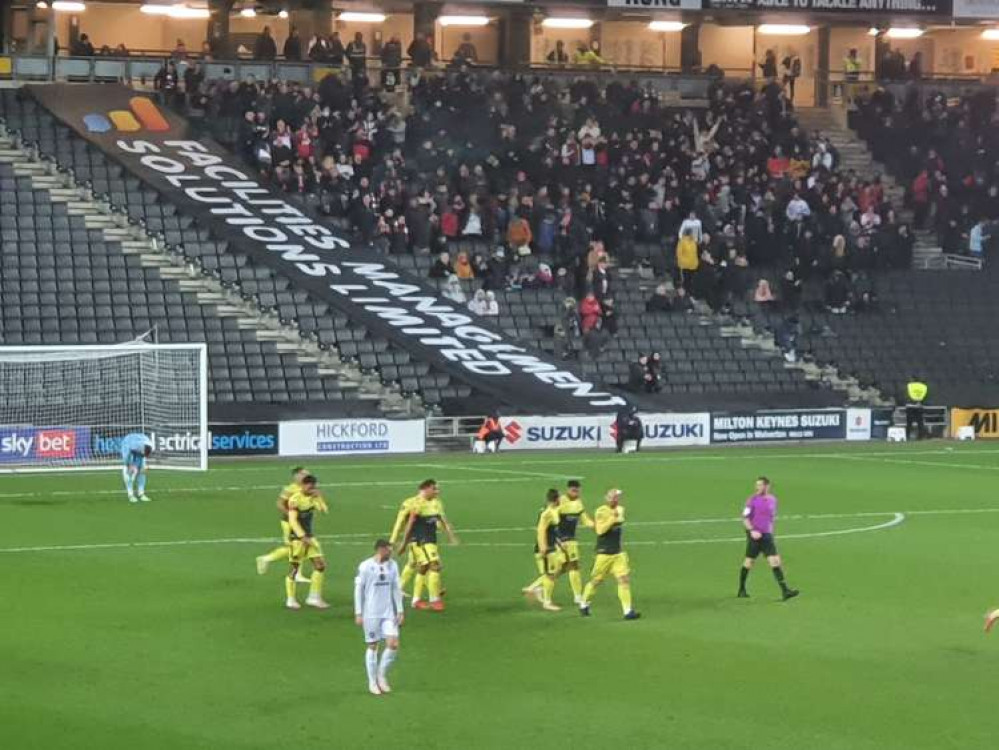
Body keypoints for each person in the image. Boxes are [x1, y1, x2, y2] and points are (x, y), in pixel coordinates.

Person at [397, 479, 459, 611]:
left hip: (431, 539)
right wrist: (404, 543)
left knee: (423, 567)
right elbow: (410, 524)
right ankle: (434, 599)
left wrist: (451, 536)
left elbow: (443, 521)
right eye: (434, 489)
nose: (437, 491)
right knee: (435, 566)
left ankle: (416, 600)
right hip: (420, 540)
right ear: (426, 489)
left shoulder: (436, 504)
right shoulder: (417, 504)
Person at [579, 489, 639, 620]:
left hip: (618, 553)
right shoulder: (600, 511)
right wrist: (613, 518)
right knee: (596, 581)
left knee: (624, 579)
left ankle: (627, 611)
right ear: (606, 498)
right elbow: (600, 531)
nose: (615, 499)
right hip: (604, 553)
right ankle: (583, 603)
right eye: (613, 497)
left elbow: (620, 519)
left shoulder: (621, 509)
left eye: (617, 497)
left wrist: (615, 516)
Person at [354, 539, 404, 696]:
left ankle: (381, 676)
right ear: (380, 550)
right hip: (371, 613)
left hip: (388, 612)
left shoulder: (393, 565)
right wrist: (358, 612)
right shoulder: (365, 566)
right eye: (389, 550)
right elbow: (358, 590)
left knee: (393, 643)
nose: (391, 552)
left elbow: (396, 587)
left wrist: (400, 610)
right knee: (373, 646)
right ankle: (372, 682)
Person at [738, 477, 799, 601]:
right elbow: (745, 518)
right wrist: (752, 531)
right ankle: (741, 589)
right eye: (757, 485)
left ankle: (785, 591)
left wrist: (768, 531)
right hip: (754, 536)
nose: (757, 487)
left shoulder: (772, 500)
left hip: (766, 536)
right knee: (749, 562)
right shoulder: (752, 500)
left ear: (767, 486)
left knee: (775, 561)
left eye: (760, 485)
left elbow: (769, 517)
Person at [256, 466, 313, 578]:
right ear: (297, 476)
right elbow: (279, 504)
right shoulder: (290, 489)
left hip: (300, 523)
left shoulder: (306, 488)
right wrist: (291, 515)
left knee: (299, 547)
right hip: (289, 522)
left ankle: (297, 573)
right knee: (293, 547)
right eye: (304, 474)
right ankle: (266, 559)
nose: (307, 476)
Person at [285, 474, 330, 610]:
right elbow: (292, 520)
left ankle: (314, 597)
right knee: (294, 568)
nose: (312, 488)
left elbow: (324, 510)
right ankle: (290, 599)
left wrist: (319, 497)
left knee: (320, 565)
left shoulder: (313, 498)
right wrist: (302, 536)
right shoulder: (295, 499)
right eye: (309, 486)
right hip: (297, 539)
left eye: (313, 486)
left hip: (310, 537)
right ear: (303, 486)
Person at [523, 489, 564, 612]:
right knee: (550, 575)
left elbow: (552, 530)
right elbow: (541, 531)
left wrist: (560, 543)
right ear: (556, 499)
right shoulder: (547, 513)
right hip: (547, 549)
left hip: (551, 547)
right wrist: (543, 548)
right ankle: (546, 602)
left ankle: (533, 588)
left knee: (554, 571)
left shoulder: (551, 511)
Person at [557, 480, 594, 605]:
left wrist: (596, 526)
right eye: (573, 490)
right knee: (570, 565)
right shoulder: (560, 502)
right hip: (561, 539)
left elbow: (585, 520)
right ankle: (577, 596)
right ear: (568, 490)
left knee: (567, 566)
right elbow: (551, 521)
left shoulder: (578, 503)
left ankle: (536, 587)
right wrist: (556, 540)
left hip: (571, 539)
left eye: (577, 491)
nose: (576, 493)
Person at [120, 432, 153, 503]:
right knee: (128, 472)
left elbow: (144, 456)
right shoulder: (128, 447)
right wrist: (130, 466)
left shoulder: (149, 445)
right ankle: (130, 495)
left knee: (142, 471)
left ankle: (141, 494)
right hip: (128, 445)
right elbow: (126, 460)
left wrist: (142, 468)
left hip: (140, 447)